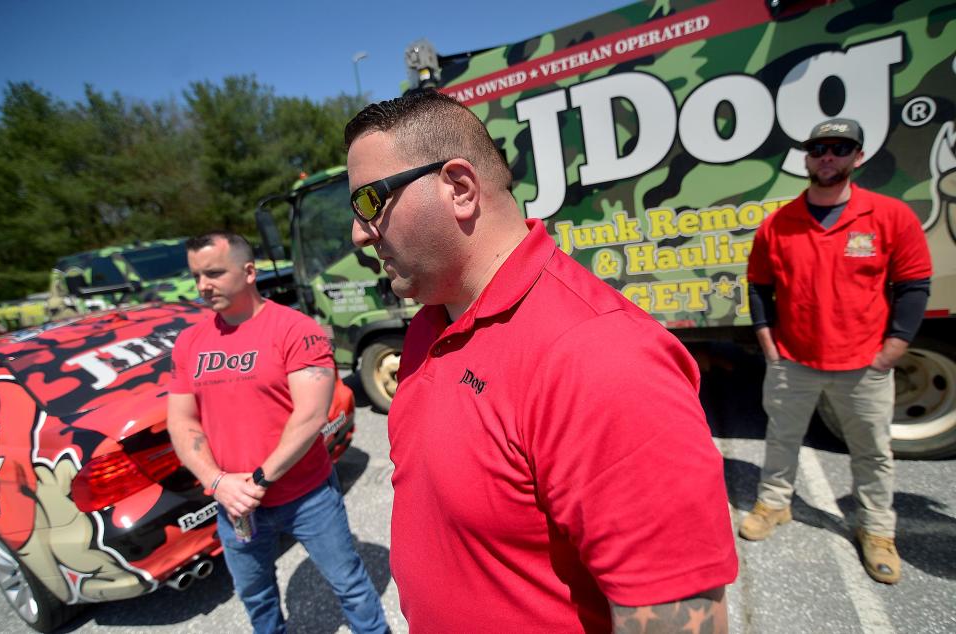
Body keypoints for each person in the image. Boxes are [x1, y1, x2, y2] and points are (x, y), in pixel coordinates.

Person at [345, 90, 738, 632]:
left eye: (370, 202)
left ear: (459, 188)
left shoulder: (601, 357)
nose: (359, 233)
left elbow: (677, 621)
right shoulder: (425, 327)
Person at [741, 118, 933, 585]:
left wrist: (894, 347)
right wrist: (768, 340)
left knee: (872, 451)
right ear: (807, 157)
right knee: (781, 439)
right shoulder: (779, 223)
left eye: (840, 148)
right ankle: (774, 504)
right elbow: (760, 287)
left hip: (865, 364)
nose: (828, 156)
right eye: (819, 148)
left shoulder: (888, 216)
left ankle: (877, 531)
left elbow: (913, 284)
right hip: (792, 360)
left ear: (857, 157)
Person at [166, 232, 388, 634]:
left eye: (214, 273)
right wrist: (217, 482)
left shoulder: (294, 329)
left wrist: (258, 479)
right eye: (197, 275)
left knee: (349, 584)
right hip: (235, 504)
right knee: (255, 594)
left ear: (249, 271)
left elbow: (311, 413)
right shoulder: (189, 343)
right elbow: (181, 422)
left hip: (307, 496)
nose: (203, 286)